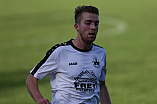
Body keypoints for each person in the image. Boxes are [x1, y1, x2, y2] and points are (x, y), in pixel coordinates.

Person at [26, 5, 111, 104]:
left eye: (96, 24)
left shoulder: (100, 53)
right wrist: (39, 98)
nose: (93, 27)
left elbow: (101, 85)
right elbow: (31, 79)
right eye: (88, 23)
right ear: (77, 27)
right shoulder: (60, 52)